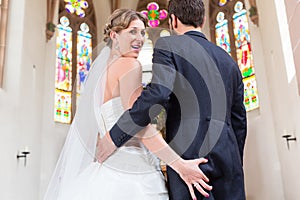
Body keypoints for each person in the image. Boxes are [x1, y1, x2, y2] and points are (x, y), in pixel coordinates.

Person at [44, 8, 212, 200]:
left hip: (106, 169)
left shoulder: (100, 74)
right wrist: (180, 166)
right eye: (132, 31)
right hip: (134, 174)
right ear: (114, 35)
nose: (140, 38)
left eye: (142, 32)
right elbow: (139, 125)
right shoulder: (129, 65)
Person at [97, 1, 247, 200]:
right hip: (229, 160)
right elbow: (239, 121)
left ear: (173, 21)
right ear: (203, 19)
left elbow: (158, 94)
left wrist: (115, 135)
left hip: (187, 153)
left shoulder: (168, 46)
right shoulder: (228, 60)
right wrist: (234, 162)